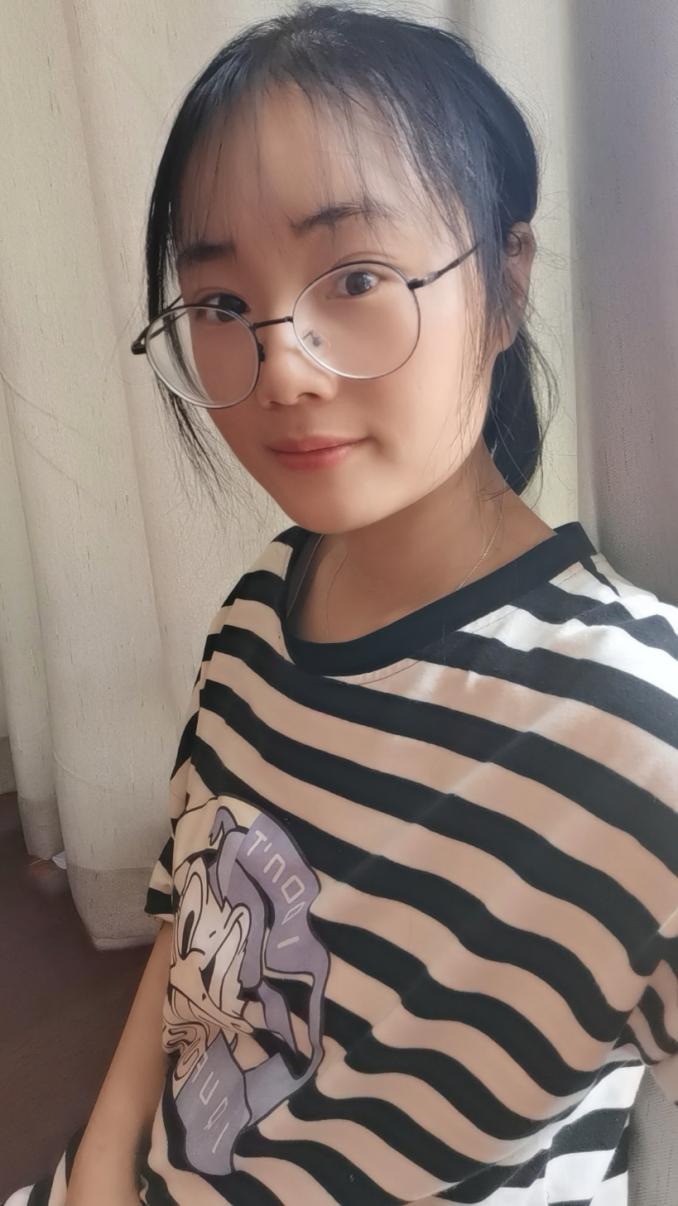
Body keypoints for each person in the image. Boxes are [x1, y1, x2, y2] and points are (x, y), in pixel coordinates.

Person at [7, 4, 678, 1204]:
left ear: (505, 282)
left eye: (358, 277)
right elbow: (193, 941)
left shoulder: (634, 739)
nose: (281, 367)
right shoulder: (259, 613)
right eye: (221, 305)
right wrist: (99, 1172)